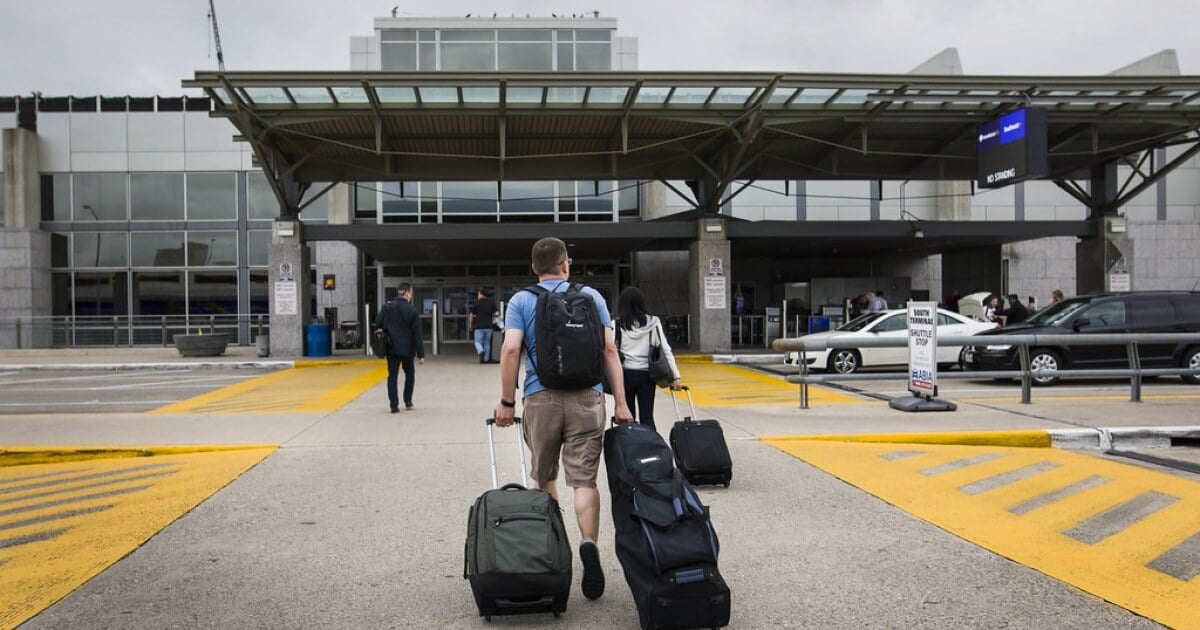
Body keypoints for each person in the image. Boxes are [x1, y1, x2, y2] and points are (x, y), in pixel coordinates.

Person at [493, 237, 634, 602]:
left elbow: (511, 348)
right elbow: (610, 350)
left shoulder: (521, 301)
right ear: (566, 264)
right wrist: (620, 403)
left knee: (544, 477)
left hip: (540, 398)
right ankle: (589, 543)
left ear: (533, 267)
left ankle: (555, 547)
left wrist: (507, 401)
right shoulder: (591, 296)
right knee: (584, 479)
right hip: (587, 397)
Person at [615, 286, 683, 431]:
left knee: (628, 418)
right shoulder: (653, 322)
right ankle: (649, 443)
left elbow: (610, 350)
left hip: (624, 375)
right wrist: (676, 376)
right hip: (647, 376)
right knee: (647, 417)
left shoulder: (617, 324)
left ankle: (629, 444)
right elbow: (665, 349)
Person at [374, 282, 425, 412]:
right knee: (410, 374)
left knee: (392, 376)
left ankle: (394, 405)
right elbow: (417, 334)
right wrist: (421, 354)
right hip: (407, 349)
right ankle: (408, 401)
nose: (411, 296)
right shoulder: (412, 311)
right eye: (411, 294)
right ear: (407, 293)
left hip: (391, 347)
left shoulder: (387, 307)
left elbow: (378, 322)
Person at [467, 289, 500, 364]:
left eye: (478, 294)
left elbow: (471, 314)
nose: (477, 296)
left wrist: (470, 324)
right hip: (489, 326)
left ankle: (481, 351)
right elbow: (497, 313)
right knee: (487, 343)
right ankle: (486, 359)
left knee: (477, 341)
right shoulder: (491, 303)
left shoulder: (476, 303)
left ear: (482, 295)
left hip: (478, 326)